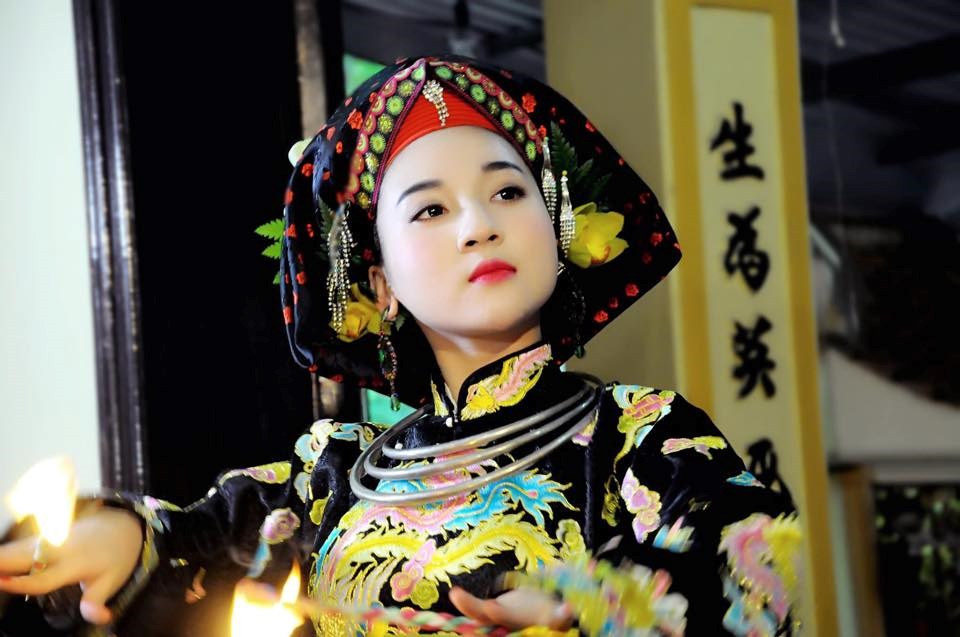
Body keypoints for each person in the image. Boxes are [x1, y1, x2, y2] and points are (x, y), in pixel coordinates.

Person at [0, 55, 800, 636]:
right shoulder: (330, 477)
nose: (478, 223)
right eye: (430, 209)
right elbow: (197, 549)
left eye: (507, 190)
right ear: (377, 281)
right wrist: (125, 541)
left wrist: (592, 606)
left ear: (558, 229)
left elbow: (751, 564)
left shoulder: (640, 434)